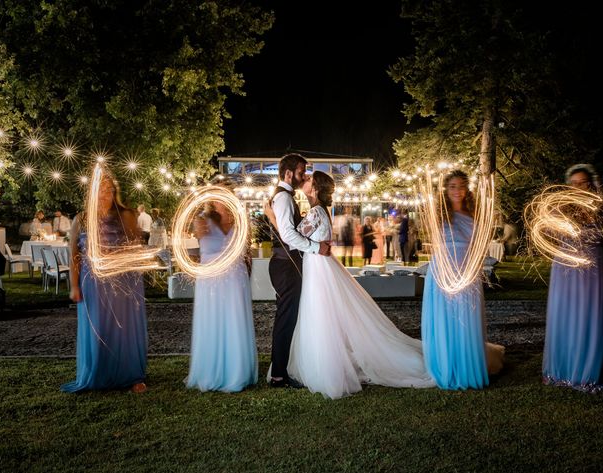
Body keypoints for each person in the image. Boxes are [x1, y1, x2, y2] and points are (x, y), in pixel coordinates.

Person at [267, 172, 435, 399]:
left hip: (317, 271)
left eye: (308, 180)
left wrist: (271, 216)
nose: (303, 181)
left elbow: (290, 238)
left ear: (315, 188)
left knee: (319, 317)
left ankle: (325, 367)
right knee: (322, 316)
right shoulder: (319, 211)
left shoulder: (316, 212)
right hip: (318, 267)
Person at [61, 170, 148, 393]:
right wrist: (73, 285)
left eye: (110, 189)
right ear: (92, 191)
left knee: (124, 330)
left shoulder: (126, 216)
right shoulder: (81, 219)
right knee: (99, 328)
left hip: (123, 282)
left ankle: (131, 376)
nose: (106, 194)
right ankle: (100, 373)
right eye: (101, 189)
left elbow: (136, 248)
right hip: (93, 283)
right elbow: (74, 255)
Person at [421, 170, 504, 390]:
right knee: (445, 319)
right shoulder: (439, 214)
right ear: (445, 190)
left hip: (468, 269)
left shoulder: (475, 213)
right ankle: (446, 365)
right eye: (452, 186)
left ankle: (467, 366)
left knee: (466, 319)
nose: (457, 191)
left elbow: (480, 243)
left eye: (460, 186)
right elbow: (435, 243)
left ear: (467, 189)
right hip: (444, 269)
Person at [542, 164, 603, 393]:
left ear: (590, 184)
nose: (577, 187)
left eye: (582, 182)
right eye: (573, 183)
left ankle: (587, 373)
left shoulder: (601, 210)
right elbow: (548, 235)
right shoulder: (561, 209)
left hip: (594, 270)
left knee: (590, 318)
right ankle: (561, 370)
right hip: (565, 270)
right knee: (564, 317)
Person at [266, 153, 330, 388]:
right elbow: (288, 235)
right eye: (302, 172)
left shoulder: (285, 197)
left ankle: (280, 370)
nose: (304, 176)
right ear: (289, 173)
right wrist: (316, 247)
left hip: (288, 263)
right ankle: (279, 376)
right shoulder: (283, 198)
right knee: (286, 318)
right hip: (285, 265)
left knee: (289, 317)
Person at [186, 188, 258, 392]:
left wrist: (248, 272)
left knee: (235, 320)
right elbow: (199, 241)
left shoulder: (241, 220)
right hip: (212, 280)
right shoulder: (202, 220)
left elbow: (246, 250)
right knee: (214, 320)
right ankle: (212, 371)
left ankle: (238, 372)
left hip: (236, 277)